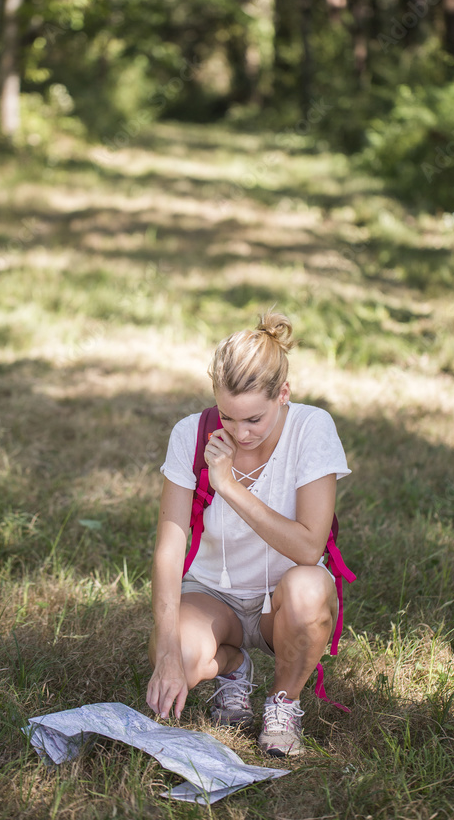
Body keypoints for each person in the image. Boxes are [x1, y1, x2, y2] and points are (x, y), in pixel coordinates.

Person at [146, 311, 351, 757]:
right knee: (177, 655)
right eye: (227, 417)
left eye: (254, 419)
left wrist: (228, 486)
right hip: (212, 595)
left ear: (283, 394)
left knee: (310, 589)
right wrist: (167, 655)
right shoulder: (190, 434)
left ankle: (283, 703)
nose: (240, 434)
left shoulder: (311, 428)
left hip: (284, 598)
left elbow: (309, 547)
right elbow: (169, 549)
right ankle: (234, 666)